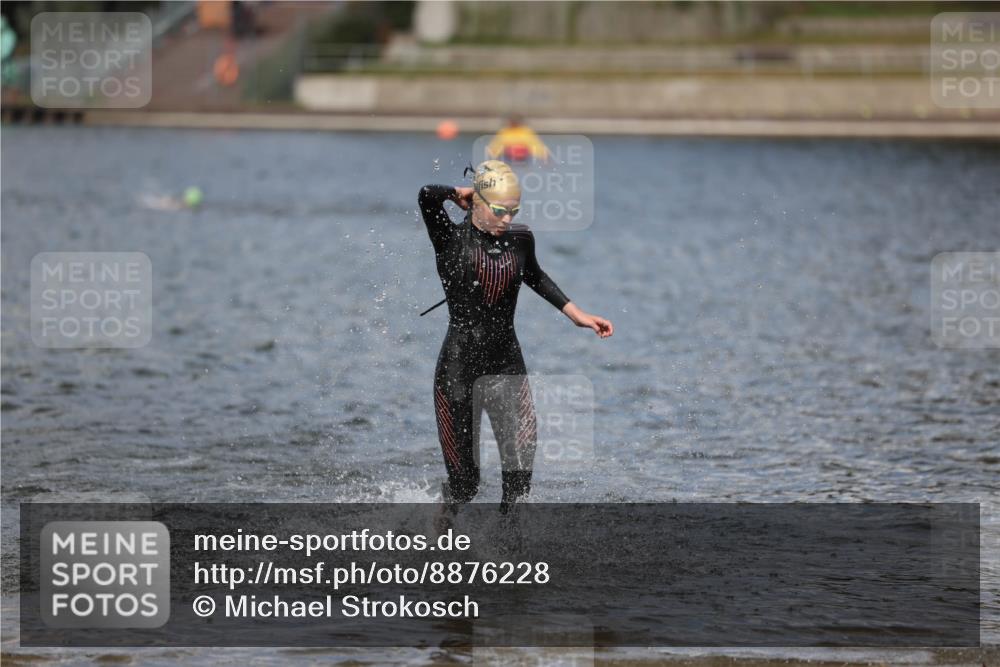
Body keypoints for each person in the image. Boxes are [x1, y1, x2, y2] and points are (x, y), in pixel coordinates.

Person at [417, 160, 612, 525]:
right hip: (459, 373)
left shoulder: (520, 239)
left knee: (519, 477)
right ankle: (442, 519)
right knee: (465, 485)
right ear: (478, 202)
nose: (507, 218)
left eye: (514, 210)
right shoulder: (449, 239)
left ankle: (509, 553)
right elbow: (427, 197)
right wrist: (459, 192)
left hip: (507, 366)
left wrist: (577, 314)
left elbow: (535, 276)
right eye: (499, 209)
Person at [486, 114, 550, 163]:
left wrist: (544, 156)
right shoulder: (505, 131)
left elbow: (536, 145)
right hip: (508, 158)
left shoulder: (526, 131)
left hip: (524, 158)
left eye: (516, 121)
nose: (514, 123)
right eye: (513, 121)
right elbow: (494, 147)